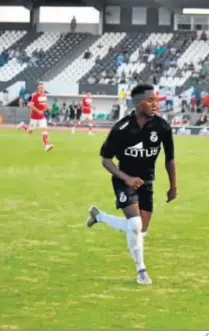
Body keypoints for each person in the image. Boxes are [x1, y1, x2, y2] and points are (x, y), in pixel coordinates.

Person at [86, 84, 177, 285]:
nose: (156, 104)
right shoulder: (121, 128)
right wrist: (126, 178)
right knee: (135, 225)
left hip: (147, 183)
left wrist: (174, 186)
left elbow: (169, 158)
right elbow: (105, 160)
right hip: (124, 181)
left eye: (156, 100)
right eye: (151, 100)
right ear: (138, 103)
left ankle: (99, 216)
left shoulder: (162, 127)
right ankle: (141, 271)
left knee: (139, 231)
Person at [16, 82, 54, 152]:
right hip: (34, 117)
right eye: (40, 88)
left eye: (43, 87)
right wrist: (38, 111)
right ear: (38, 89)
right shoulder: (35, 96)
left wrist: (49, 107)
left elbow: (44, 104)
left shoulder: (44, 96)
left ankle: (46, 145)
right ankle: (23, 125)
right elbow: (31, 105)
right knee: (30, 131)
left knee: (44, 129)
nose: (42, 89)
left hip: (42, 117)